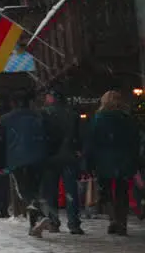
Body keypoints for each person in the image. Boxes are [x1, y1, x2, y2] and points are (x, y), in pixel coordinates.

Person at [1, 90, 54, 237]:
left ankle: (37, 215)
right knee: (35, 189)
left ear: (13, 103)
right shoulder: (39, 116)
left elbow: (1, 141)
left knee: (24, 191)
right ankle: (34, 224)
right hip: (39, 157)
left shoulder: (6, 119)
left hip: (17, 159)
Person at [87, 91, 140, 236]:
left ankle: (113, 219)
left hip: (104, 160)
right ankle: (122, 222)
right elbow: (135, 141)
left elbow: (91, 141)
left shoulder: (98, 119)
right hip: (123, 159)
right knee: (122, 191)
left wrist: (89, 162)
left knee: (106, 191)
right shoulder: (127, 119)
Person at [40, 88, 82, 234]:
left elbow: (42, 135)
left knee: (51, 191)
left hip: (51, 156)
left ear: (51, 98)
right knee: (71, 190)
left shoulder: (44, 114)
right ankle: (74, 223)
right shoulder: (72, 113)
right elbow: (79, 135)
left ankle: (53, 221)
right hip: (69, 155)